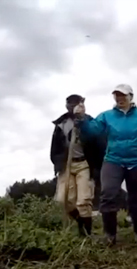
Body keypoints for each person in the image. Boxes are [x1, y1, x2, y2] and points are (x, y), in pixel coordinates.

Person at [74, 84, 137, 245]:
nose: (120, 98)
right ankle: (110, 235)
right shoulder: (107, 116)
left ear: (131, 97)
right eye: (117, 95)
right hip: (113, 160)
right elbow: (92, 131)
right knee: (108, 194)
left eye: (123, 95)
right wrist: (82, 118)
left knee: (135, 198)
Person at [50, 94, 107, 236]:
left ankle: (87, 233)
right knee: (64, 201)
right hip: (67, 166)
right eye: (71, 104)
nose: (74, 106)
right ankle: (80, 223)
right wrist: (58, 164)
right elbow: (54, 148)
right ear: (67, 106)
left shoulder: (90, 122)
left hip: (84, 165)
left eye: (78, 103)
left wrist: (96, 170)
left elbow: (99, 146)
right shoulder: (61, 124)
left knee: (83, 201)